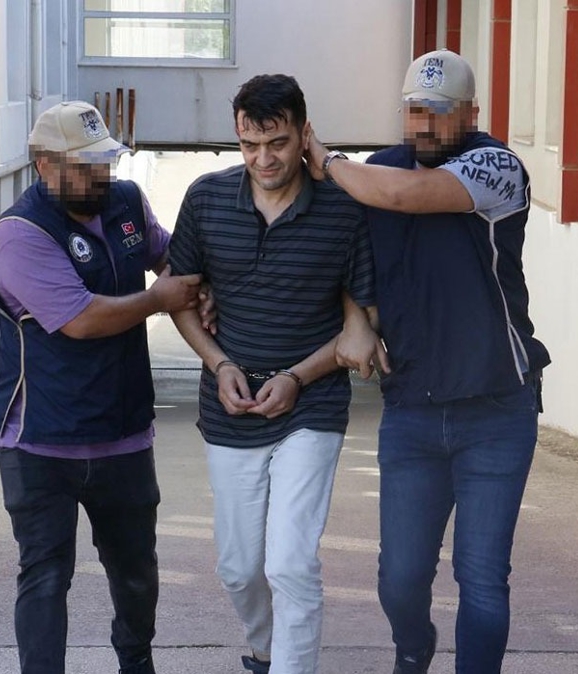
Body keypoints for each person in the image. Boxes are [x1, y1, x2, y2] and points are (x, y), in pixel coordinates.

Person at [305, 50, 551, 674]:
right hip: (412, 408)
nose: (426, 124)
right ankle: (414, 647)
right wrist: (357, 318)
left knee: (482, 576)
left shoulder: (497, 166)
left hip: (497, 408)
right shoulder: (377, 172)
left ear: (471, 113)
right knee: (400, 579)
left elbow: (409, 196)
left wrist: (327, 160)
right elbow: (349, 257)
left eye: (441, 112)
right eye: (416, 110)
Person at [0, 100, 203, 674]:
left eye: (105, 163)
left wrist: (193, 285)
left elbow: (165, 254)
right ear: (44, 166)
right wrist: (159, 298)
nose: (100, 177)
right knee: (45, 575)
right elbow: (81, 319)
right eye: (85, 167)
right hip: (40, 441)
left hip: (123, 433)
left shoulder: (126, 202)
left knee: (136, 573)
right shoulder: (19, 234)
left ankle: (136, 662)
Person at [165, 74, 376, 674]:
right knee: (238, 567)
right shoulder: (206, 199)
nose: (263, 159)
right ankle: (265, 649)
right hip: (229, 407)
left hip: (312, 406)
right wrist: (219, 364)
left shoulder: (344, 207)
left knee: (290, 563)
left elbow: (360, 326)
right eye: (249, 145)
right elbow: (181, 296)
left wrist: (298, 378)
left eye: (277, 143)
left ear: (305, 134)